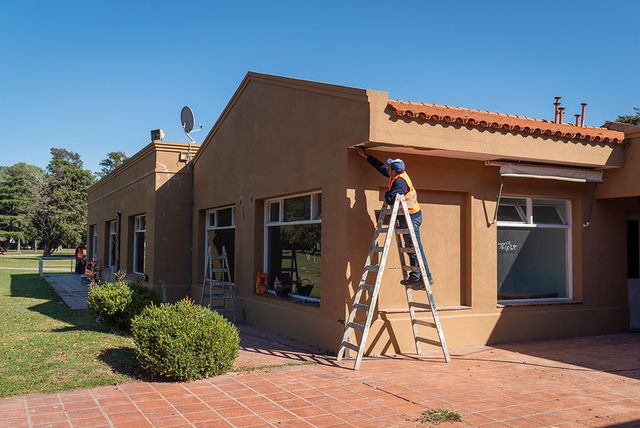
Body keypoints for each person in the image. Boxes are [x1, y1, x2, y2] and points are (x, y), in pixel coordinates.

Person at [356, 148, 434, 288]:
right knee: (410, 247)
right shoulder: (397, 175)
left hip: (411, 216)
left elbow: (390, 199)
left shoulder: (400, 183)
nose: (388, 169)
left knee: (415, 247)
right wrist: (367, 157)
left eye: (390, 167)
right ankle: (415, 276)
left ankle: (426, 278)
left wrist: (386, 195)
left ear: (394, 171)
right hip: (407, 216)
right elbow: (382, 168)